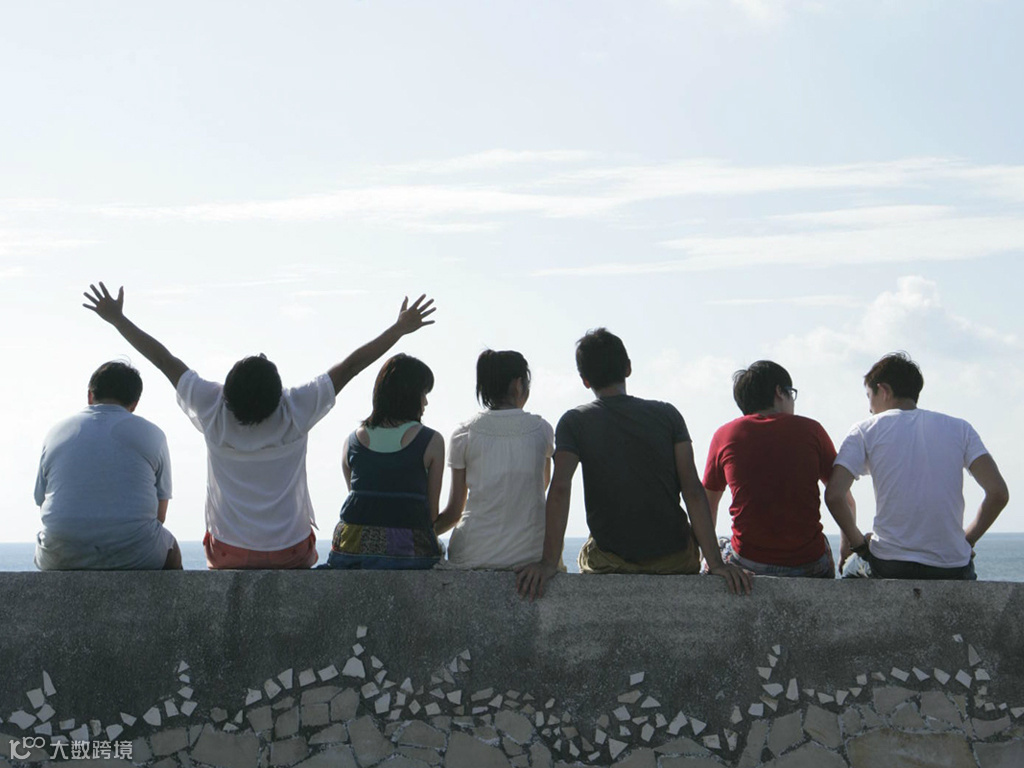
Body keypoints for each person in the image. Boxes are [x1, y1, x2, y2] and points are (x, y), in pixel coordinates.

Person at [83, 281, 435, 569]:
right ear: (278, 394)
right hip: (290, 553)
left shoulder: (211, 407)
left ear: (228, 391)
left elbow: (162, 359)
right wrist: (399, 329)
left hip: (227, 552)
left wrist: (118, 320)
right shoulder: (295, 408)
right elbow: (351, 366)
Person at [515, 328, 752, 598]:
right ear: (628, 368)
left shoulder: (574, 422)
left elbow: (559, 488)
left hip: (611, 561)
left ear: (585, 381)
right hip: (675, 560)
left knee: (587, 551)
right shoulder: (668, 415)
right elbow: (692, 490)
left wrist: (548, 563)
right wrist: (716, 563)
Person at [825, 352, 1009, 580]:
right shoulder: (961, 429)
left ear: (884, 390)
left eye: (869, 396)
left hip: (889, 564)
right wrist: (966, 541)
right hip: (952, 567)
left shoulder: (865, 430)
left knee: (849, 570)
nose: (870, 409)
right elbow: (998, 493)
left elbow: (834, 495)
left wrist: (860, 546)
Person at [702, 361, 844, 578]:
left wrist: (709, 559)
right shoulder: (812, 430)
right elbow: (841, 496)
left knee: (721, 545)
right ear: (779, 392)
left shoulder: (725, 435)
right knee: (822, 542)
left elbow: (707, 506)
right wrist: (847, 548)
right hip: (809, 563)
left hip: (748, 563)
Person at [34, 361, 181, 570]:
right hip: (136, 554)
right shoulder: (153, 434)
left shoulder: (55, 433)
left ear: (90, 396)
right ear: (134, 404)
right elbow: (160, 515)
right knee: (172, 549)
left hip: (59, 553)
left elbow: (41, 501)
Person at [434, 350, 554, 569]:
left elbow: (454, 513)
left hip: (472, 555)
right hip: (530, 556)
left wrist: (422, 535)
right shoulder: (542, 430)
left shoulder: (464, 433)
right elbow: (540, 486)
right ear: (518, 384)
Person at [325, 354, 444, 569]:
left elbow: (363, 504)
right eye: (424, 393)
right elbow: (432, 516)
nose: (426, 402)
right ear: (410, 394)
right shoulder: (431, 441)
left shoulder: (352, 441)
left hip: (351, 550)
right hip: (409, 552)